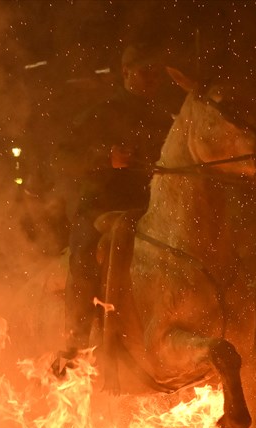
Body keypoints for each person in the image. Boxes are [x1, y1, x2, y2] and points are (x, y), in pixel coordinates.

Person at [63, 42, 185, 355]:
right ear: (126, 72)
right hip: (102, 207)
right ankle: (74, 345)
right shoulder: (100, 114)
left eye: (157, 74)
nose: (152, 79)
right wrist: (108, 158)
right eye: (145, 72)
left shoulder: (165, 120)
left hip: (149, 208)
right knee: (85, 259)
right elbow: (64, 157)